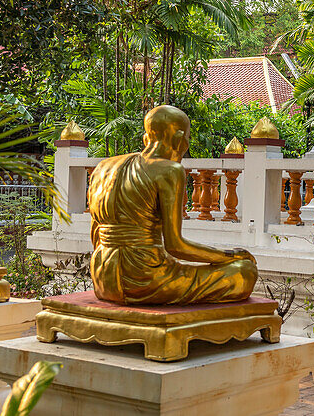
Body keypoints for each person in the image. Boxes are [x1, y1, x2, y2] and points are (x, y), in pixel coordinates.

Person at [88, 105, 256, 305]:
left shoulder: (103, 167)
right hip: (144, 279)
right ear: (179, 140)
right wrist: (230, 255)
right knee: (244, 272)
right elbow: (175, 246)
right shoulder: (170, 171)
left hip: (102, 277)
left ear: (146, 138)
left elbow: (96, 234)